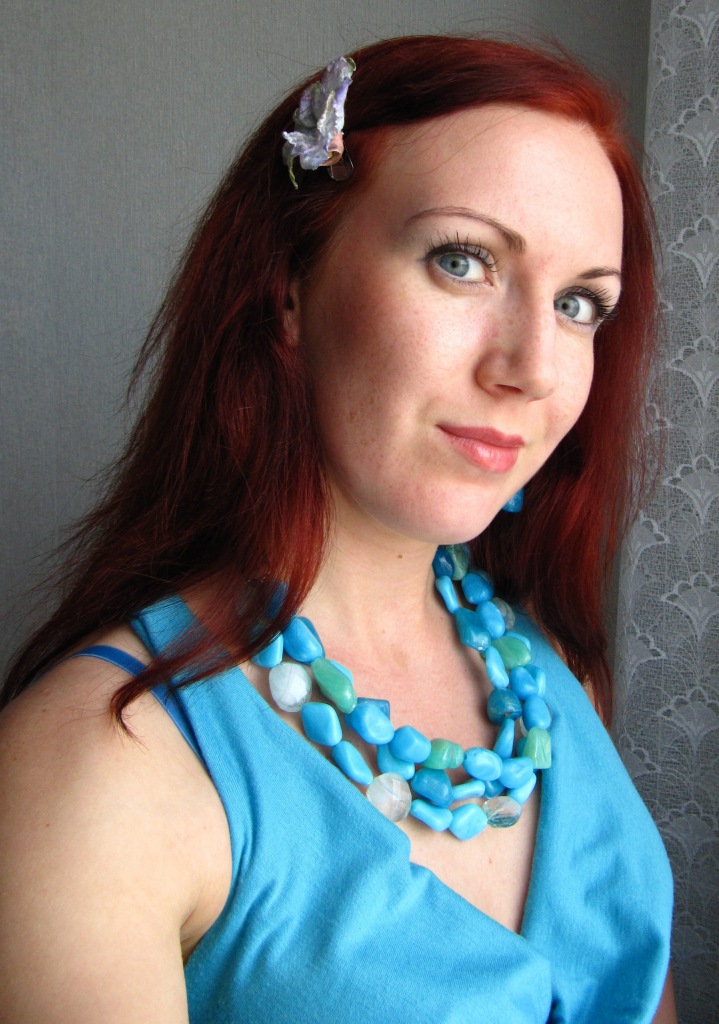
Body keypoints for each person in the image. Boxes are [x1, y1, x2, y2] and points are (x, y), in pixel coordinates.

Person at [0, 34, 675, 1024]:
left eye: (579, 303)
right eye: (462, 260)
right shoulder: (96, 769)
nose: (532, 366)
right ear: (287, 287)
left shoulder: (549, 682)